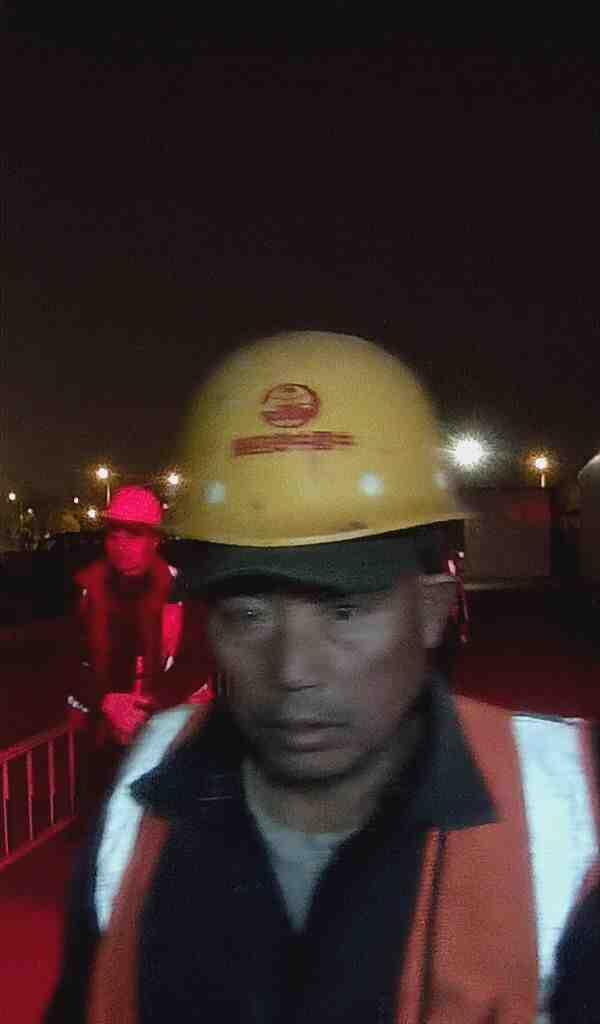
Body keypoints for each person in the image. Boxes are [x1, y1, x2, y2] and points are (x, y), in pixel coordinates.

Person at [47, 332, 599, 1023]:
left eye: (344, 609)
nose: (293, 670)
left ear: (432, 610)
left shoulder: (568, 817)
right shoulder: (141, 796)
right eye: (249, 613)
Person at [67, 485, 213, 816]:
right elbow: (71, 660)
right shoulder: (89, 590)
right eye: (114, 535)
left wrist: (145, 708)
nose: (121, 546)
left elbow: (197, 661)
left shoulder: (181, 590)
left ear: (154, 540)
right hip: (103, 740)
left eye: (133, 535)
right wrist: (106, 702)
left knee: (158, 825)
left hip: (164, 737)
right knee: (104, 823)